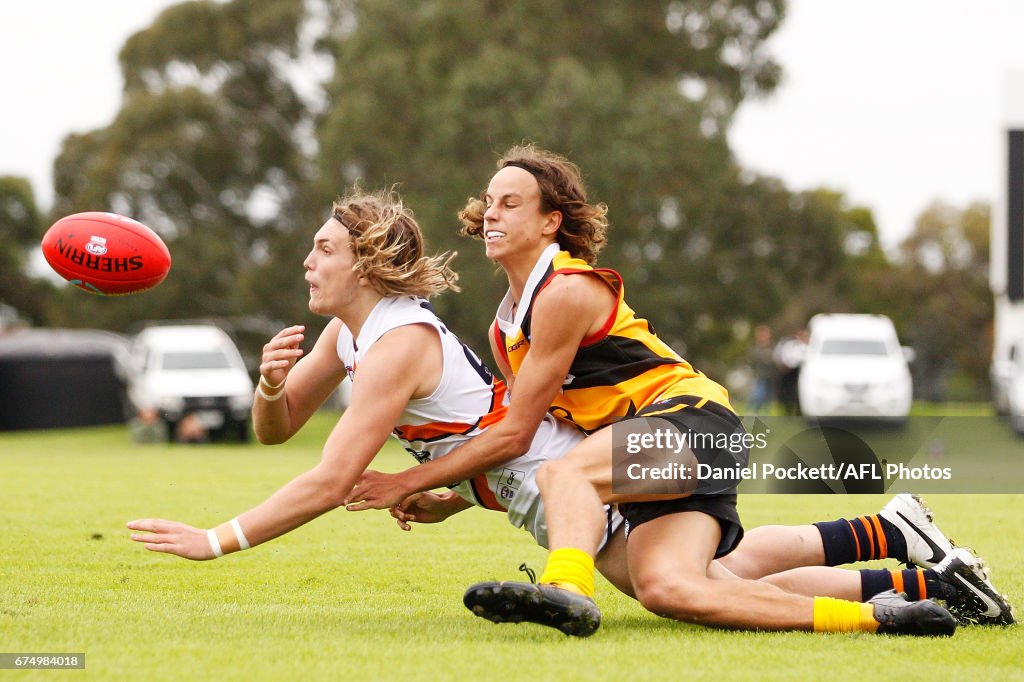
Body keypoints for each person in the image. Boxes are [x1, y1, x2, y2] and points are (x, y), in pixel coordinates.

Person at [343, 146, 964, 637]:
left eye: (512, 203)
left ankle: (567, 592)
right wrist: (455, 497)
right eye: (491, 203)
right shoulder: (504, 324)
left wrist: (405, 482)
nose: (493, 214)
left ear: (550, 222)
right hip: (656, 445)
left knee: (568, 478)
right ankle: (893, 603)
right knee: (676, 588)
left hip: (692, 421)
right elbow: (525, 437)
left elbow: (517, 434)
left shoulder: (560, 291)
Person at [746, 325, 776, 414]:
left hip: (770, 377)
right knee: (758, 395)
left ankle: (765, 415)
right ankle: (752, 413)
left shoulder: (772, 347)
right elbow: (751, 362)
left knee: (768, 397)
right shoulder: (755, 348)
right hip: (759, 376)